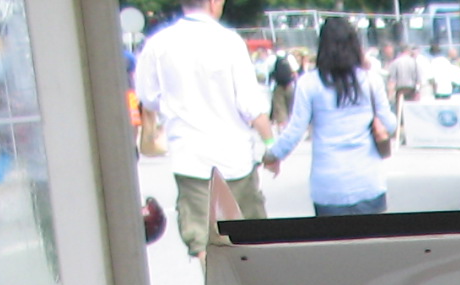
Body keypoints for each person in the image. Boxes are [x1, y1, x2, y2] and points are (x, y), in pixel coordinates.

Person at [131, 0, 270, 258]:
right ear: (212, 2)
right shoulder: (230, 42)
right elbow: (250, 106)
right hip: (236, 159)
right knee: (253, 237)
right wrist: (270, 143)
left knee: (204, 243)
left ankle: (214, 283)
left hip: (191, 159)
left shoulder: (158, 45)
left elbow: (147, 97)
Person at [265, 16, 395, 218]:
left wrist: (272, 155)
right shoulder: (371, 80)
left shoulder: (309, 83)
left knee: (333, 239)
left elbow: (295, 131)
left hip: (328, 187)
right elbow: (390, 124)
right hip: (368, 183)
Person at [387, 42, 421, 143]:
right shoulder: (414, 62)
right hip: (412, 90)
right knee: (412, 114)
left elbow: (392, 80)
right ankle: (413, 135)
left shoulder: (395, 62)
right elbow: (418, 79)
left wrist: (390, 94)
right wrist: (418, 91)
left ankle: (401, 135)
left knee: (401, 114)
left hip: (400, 90)